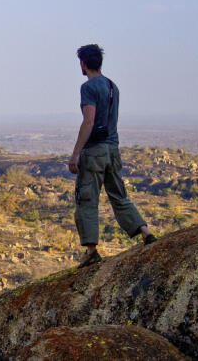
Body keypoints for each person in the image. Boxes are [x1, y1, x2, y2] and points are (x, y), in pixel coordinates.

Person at [67, 44, 156, 268]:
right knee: (119, 195)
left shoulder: (88, 87)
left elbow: (89, 121)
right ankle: (144, 232)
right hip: (113, 150)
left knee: (86, 198)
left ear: (83, 64)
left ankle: (91, 250)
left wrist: (76, 153)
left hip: (95, 151)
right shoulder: (112, 86)